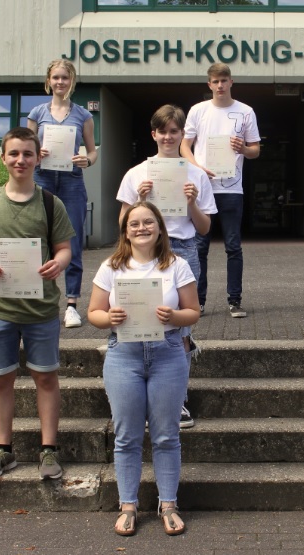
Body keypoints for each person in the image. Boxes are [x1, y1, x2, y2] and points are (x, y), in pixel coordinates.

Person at [0, 127, 75, 481]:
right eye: (13, 153)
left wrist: (58, 262)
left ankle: (48, 450)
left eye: (27, 154)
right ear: (3, 158)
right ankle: (4, 450)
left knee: (46, 378)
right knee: (1, 380)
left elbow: (64, 248)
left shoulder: (49, 202)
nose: (20, 160)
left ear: (38, 157)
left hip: (40, 309)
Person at [88, 201, 200, 537]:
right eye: (134, 224)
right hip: (125, 354)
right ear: (125, 231)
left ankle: (168, 504)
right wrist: (109, 318)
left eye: (148, 222)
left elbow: (193, 311)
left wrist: (174, 317)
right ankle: (128, 506)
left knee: (166, 434)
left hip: (167, 352)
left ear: (160, 228)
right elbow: (94, 313)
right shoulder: (111, 266)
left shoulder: (177, 265)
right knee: (127, 436)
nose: (141, 228)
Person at [116, 104, 217, 429]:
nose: (169, 136)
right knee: (146, 319)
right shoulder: (137, 173)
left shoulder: (196, 174)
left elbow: (204, 228)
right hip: (144, 252)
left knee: (180, 328)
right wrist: (137, 201)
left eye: (175, 131)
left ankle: (178, 400)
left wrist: (190, 202)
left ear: (181, 134)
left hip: (183, 249)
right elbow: (122, 225)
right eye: (164, 131)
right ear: (154, 134)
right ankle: (146, 398)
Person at [180, 62, 260, 318]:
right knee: (199, 246)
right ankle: (198, 301)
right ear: (209, 84)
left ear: (231, 82)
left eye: (224, 80)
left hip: (232, 189)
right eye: (215, 81)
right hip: (203, 188)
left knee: (233, 246)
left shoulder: (246, 111)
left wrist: (243, 149)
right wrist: (197, 168)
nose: (220, 85)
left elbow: (255, 150)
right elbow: (184, 146)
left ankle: (234, 301)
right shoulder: (197, 110)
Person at [27, 59, 98, 329]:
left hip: (72, 182)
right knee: (39, 240)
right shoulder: (36, 113)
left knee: (73, 242)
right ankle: (41, 301)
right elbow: (27, 148)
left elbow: (92, 151)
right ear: (48, 80)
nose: (60, 82)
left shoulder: (83, 115)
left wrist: (87, 161)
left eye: (65, 78)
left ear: (72, 81)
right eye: (55, 77)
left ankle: (71, 305)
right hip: (42, 179)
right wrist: (36, 154)